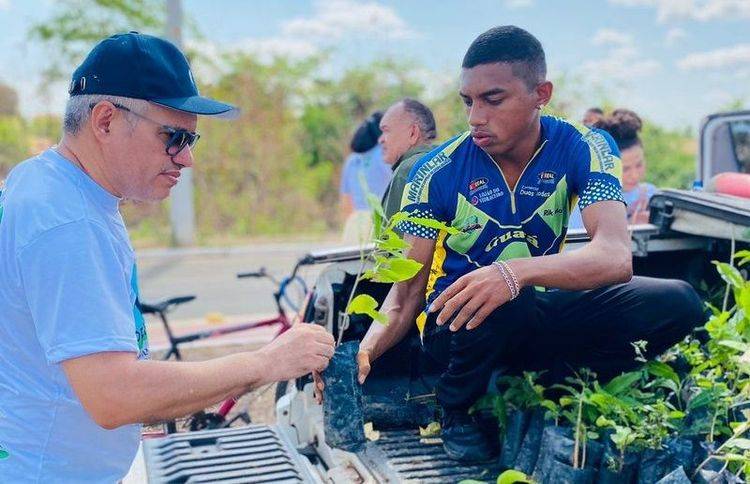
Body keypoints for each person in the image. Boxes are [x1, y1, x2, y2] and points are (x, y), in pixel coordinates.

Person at [321, 26, 704, 463]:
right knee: (506, 302)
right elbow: (405, 294)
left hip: (533, 305)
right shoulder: (434, 173)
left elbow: (615, 257)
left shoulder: (585, 146)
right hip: (458, 326)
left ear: (540, 93)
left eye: (493, 99)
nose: (475, 117)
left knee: (680, 301)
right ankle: (456, 408)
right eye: (468, 101)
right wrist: (365, 353)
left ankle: (554, 383)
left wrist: (513, 272)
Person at [0, 32, 334, 482]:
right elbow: (114, 395)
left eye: (192, 140)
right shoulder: (69, 222)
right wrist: (268, 361)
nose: (187, 159)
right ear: (105, 121)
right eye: (174, 137)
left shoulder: (46, 181)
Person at [569, 109, 656, 227]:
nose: (635, 175)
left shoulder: (652, 196)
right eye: (625, 169)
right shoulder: (584, 205)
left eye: (639, 164)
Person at [379, 98, 438, 220]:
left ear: (413, 133)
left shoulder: (408, 170)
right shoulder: (444, 161)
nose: (381, 140)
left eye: (386, 131)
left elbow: (392, 237)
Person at [340, 112, 392, 244]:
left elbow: (346, 201)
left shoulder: (352, 160)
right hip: (380, 222)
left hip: (355, 223)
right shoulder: (386, 155)